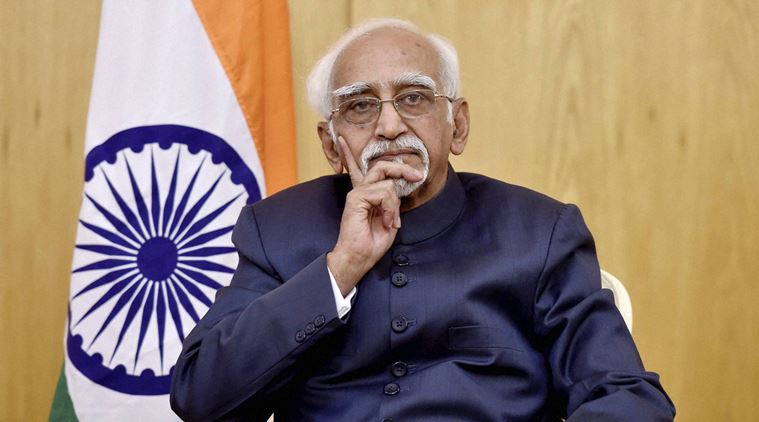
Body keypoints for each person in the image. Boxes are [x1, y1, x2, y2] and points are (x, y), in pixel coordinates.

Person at [170, 18, 675, 421]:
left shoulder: (540, 232)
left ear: (458, 126)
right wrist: (339, 269)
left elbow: (624, 395)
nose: (389, 125)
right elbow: (202, 398)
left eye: (413, 98)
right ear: (331, 145)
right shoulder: (277, 230)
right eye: (361, 106)